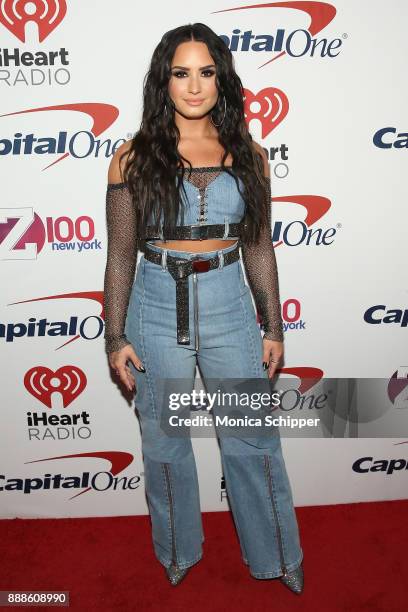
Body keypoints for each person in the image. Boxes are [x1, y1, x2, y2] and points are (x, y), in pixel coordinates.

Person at [103, 23, 304, 593]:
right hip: (155, 306)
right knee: (165, 442)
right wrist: (114, 337)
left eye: (207, 72)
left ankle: (278, 555)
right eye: (181, 72)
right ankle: (177, 549)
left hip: (229, 306)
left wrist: (274, 325)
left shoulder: (251, 155)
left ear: (223, 77)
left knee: (252, 438)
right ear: (163, 81)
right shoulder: (132, 158)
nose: (194, 86)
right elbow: (120, 256)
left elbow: (258, 246)